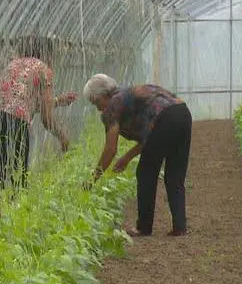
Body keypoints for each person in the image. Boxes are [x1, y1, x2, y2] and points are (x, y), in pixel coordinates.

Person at [82, 74, 192, 237]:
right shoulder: (129, 98)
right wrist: (127, 157)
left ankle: (143, 227)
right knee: (174, 176)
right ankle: (180, 227)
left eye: (96, 102)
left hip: (166, 119)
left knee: (145, 172)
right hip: (182, 114)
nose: (98, 108)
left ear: (104, 95)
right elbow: (148, 137)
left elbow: (110, 149)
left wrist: (92, 180)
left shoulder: (113, 106)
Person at [0, 35, 76, 197]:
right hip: (14, 121)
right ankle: (14, 211)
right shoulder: (43, 69)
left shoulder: (13, 64)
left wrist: (58, 101)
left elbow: (19, 103)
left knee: (1, 170)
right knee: (20, 177)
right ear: (47, 53)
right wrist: (63, 138)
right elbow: (45, 118)